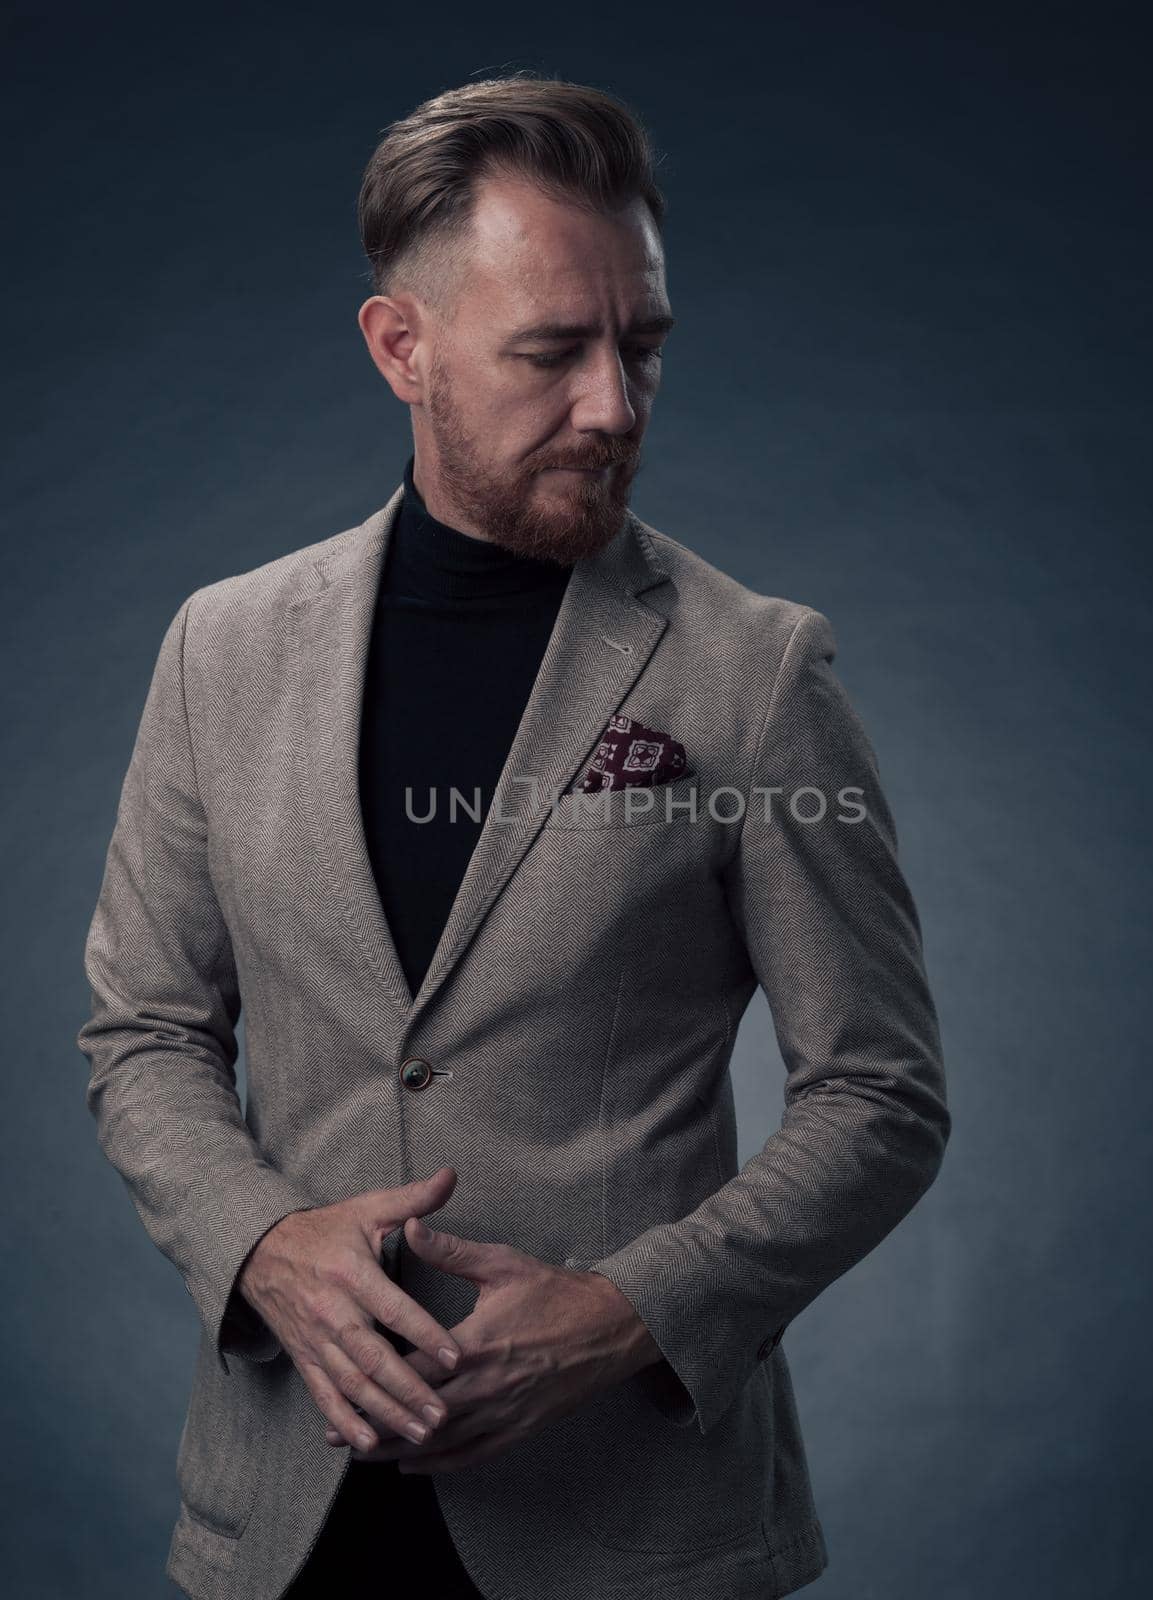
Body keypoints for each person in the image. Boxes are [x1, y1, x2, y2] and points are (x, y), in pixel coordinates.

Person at [77, 74, 951, 1600]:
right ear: (400, 348)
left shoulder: (755, 672)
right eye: (552, 352)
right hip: (281, 1526)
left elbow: (881, 1094)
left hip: (634, 1531)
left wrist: (627, 1313)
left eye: (643, 349)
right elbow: (144, 1029)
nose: (614, 404)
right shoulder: (221, 649)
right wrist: (264, 1246)